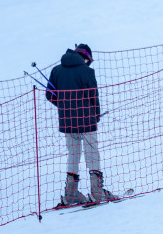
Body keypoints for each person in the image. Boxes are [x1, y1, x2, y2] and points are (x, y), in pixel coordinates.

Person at [46, 43, 118, 206]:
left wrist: (65, 106)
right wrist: (96, 115)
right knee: (92, 153)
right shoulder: (87, 72)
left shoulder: (56, 70)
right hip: (87, 121)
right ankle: (97, 193)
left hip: (67, 121)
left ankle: (70, 194)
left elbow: (50, 95)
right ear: (85, 58)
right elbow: (94, 97)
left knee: (73, 154)